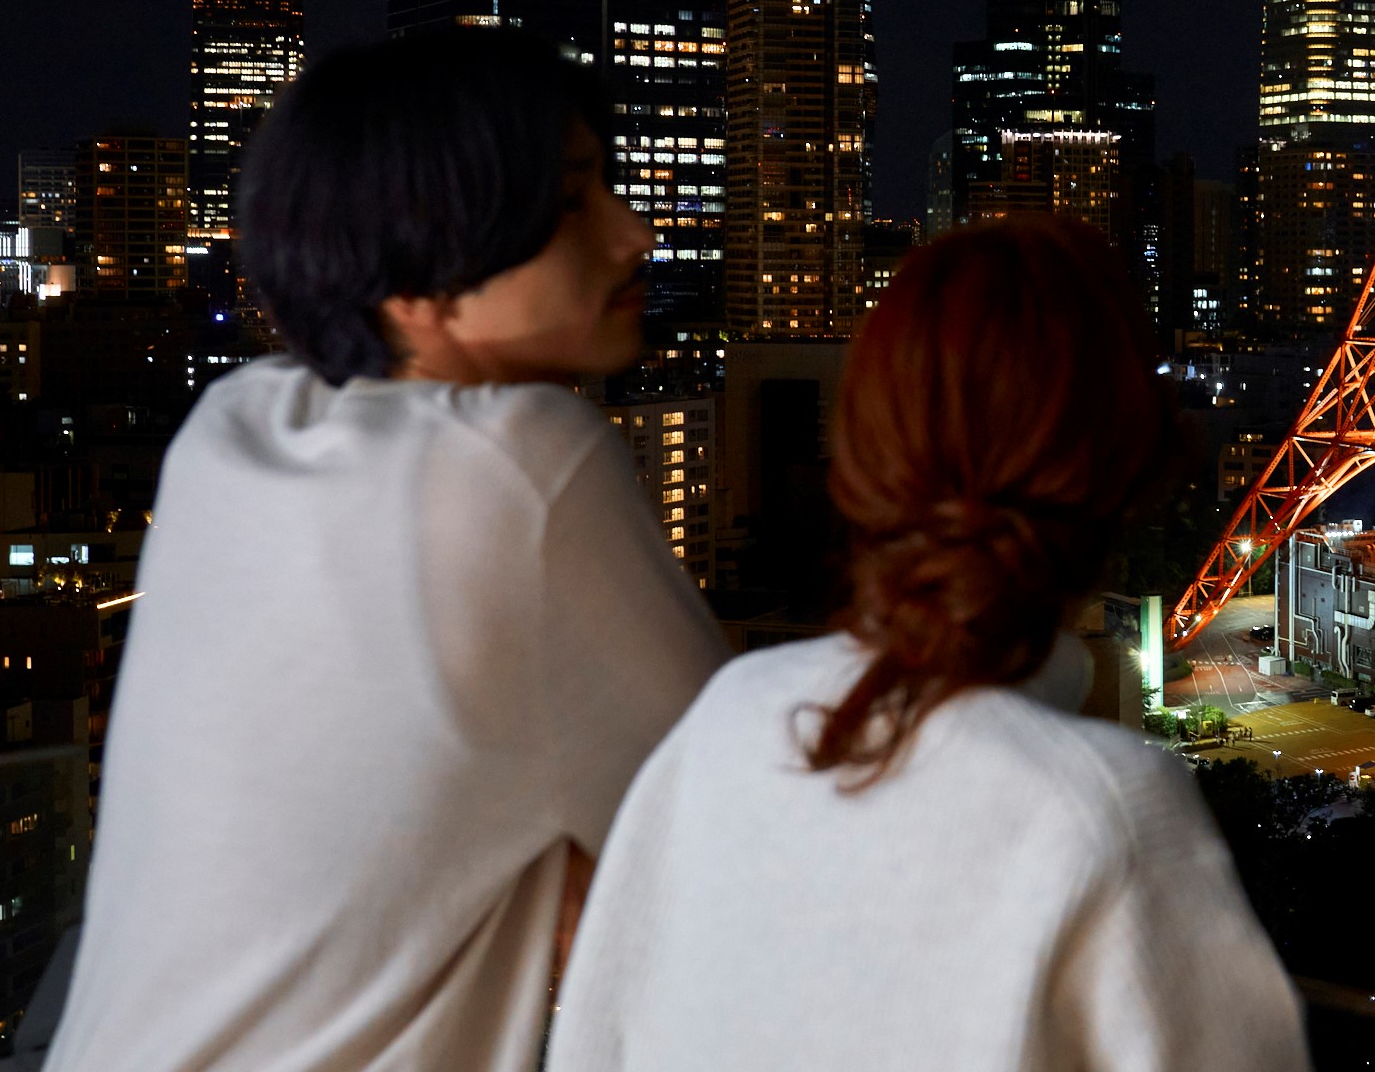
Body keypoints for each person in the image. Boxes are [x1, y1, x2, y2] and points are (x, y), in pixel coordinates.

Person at [47, 30, 727, 1072]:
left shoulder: (229, 434)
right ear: (422, 273)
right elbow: (746, 824)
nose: (636, 235)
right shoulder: (514, 463)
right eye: (574, 201)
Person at [547, 217, 1307, 1071]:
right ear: (1128, 467)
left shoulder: (727, 720)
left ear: (864, 451)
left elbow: (592, 1042)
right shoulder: (1101, 805)